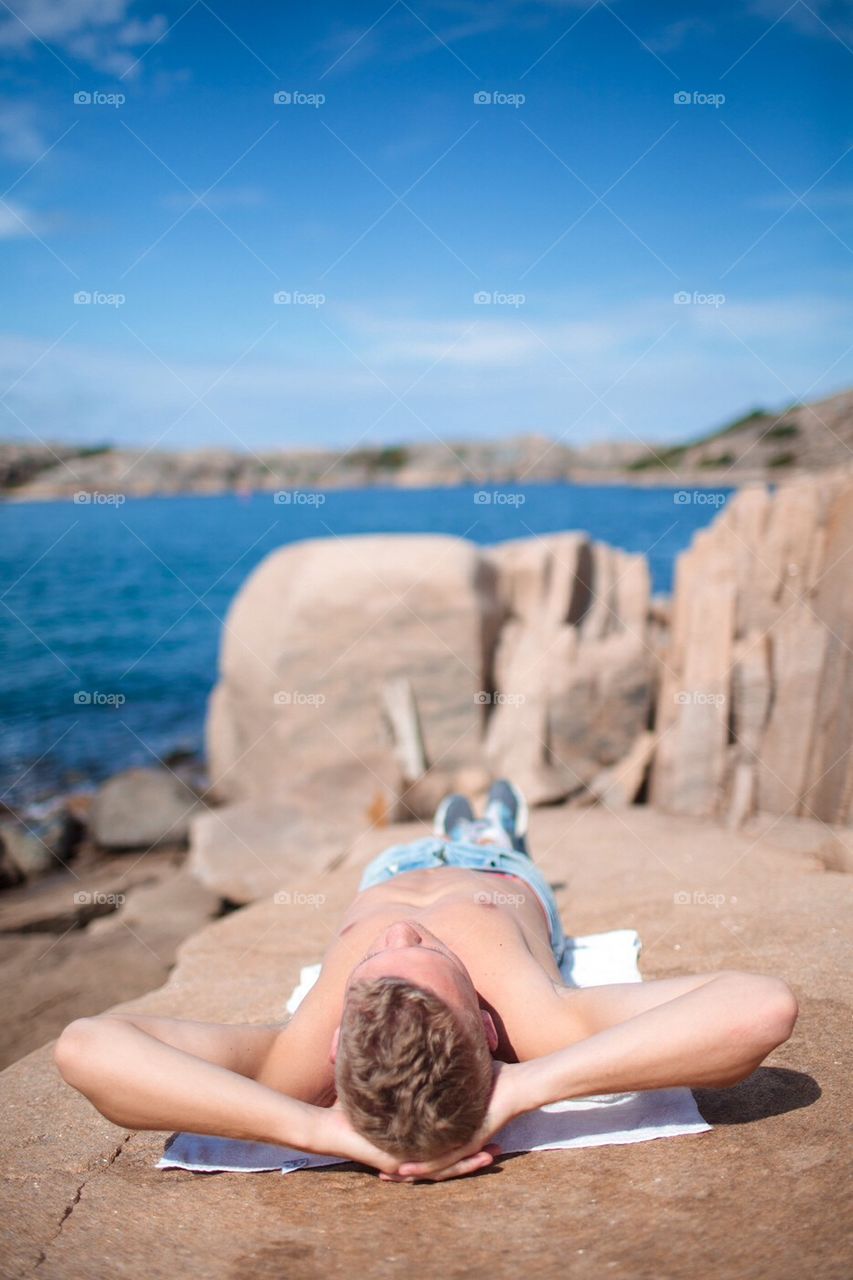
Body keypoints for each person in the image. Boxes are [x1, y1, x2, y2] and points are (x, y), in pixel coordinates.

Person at [55, 781, 798, 1183]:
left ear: (341, 1037)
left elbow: (87, 1048)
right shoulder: (538, 1022)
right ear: (481, 1026)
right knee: (492, 841)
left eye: (376, 959)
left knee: (424, 850)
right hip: (498, 879)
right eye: (427, 952)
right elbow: (758, 1008)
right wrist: (523, 1087)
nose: (401, 933)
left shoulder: (298, 1062)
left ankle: (474, 825)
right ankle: (494, 832)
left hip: (387, 870)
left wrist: (313, 1128)